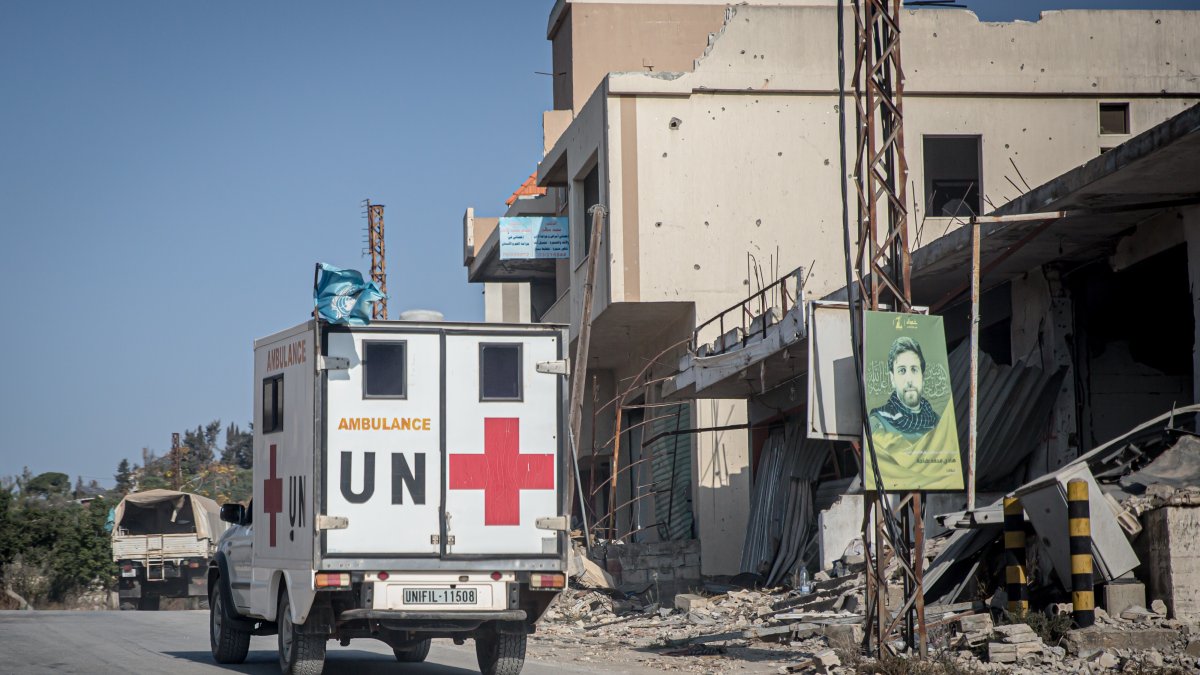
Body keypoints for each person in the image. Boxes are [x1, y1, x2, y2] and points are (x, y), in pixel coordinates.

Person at [869, 337, 939, 439]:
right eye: (902, 370)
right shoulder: (878, 422)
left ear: (923, 377)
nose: (909, 380)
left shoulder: (939, 423)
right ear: (892, 378)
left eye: (914, 370)